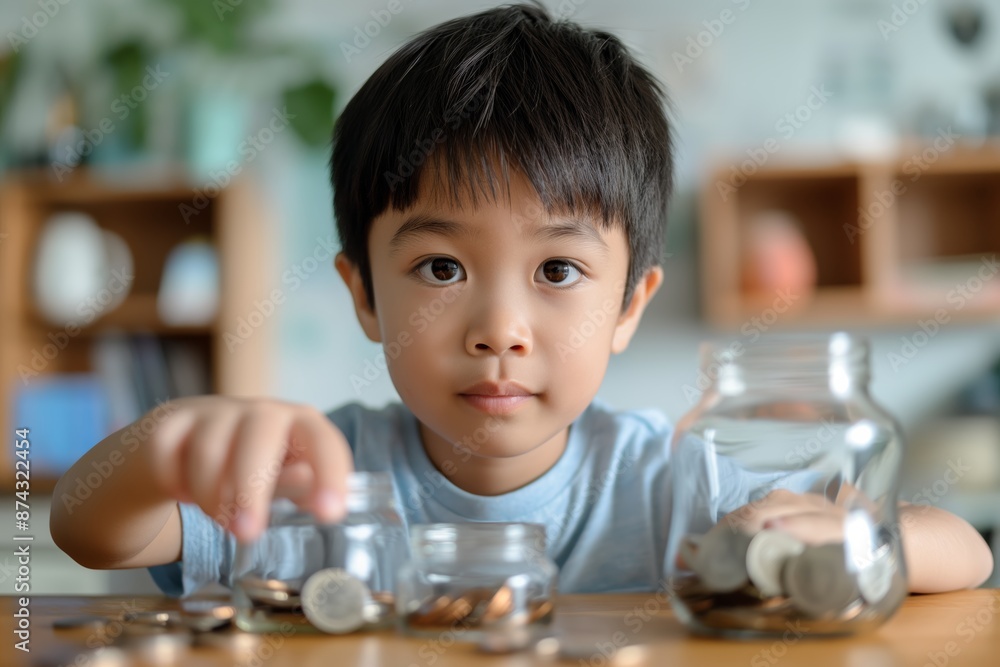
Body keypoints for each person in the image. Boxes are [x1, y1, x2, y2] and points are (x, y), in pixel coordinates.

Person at [51, 3, 993, 596]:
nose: (499, 330)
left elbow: (968, 551)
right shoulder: (313, 479)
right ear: (364, 295)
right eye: (441, 269)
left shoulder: (674, 485)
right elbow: (85, 531)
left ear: (630, 304)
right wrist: (164, 438)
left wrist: (859, 535)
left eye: (556, 272)